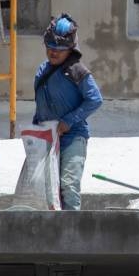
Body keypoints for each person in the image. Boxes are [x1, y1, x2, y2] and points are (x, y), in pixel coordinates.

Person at [33, 13, 103, 210]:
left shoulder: (77, 71)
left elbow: (95, 99)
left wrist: (69, 120)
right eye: (50, 48)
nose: (53, 53)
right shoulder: (41, 71)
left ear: (70, 49)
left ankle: (72, 236)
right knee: (48, 191)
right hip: (47, 138)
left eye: (59, 50)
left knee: (68, 186)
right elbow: (40, 105)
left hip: (73, 137)